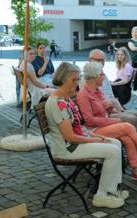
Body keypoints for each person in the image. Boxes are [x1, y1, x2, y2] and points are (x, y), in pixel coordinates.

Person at [45, 62, 128, 209]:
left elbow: (77, 127)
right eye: (74, 80)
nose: (77, 84)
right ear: (63, 79)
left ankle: (113, 190)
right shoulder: (57, 103)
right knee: (112, 150)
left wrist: (90, 135)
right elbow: (70, 137)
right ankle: (102, 195)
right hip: (67, 149)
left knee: (116, 143)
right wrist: (94, 138)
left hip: (75, 144)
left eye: (78, 79)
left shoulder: (65, 98)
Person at [77, 62, 137, 185]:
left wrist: (109, 107)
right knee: (127, 126)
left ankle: (136, 171)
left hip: (104, 125)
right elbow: (89, 120)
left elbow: (103, 109)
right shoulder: (83, 95)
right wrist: (113, 120)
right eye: (102, 74)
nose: (104, 76)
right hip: (94, 130)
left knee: (128, 139)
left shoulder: (97, 91)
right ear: (95, 76)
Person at [88, 49, 137, 140]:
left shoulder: (105, 76)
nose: (101, 62)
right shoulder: (90, 78)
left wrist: (121, 110)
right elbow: (93, 105)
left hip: (117, 104)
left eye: (103, 60)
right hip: (106, 112)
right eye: (98, 60)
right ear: (90, 60)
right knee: (133, 118)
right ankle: (133, 146)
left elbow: (113, 96)